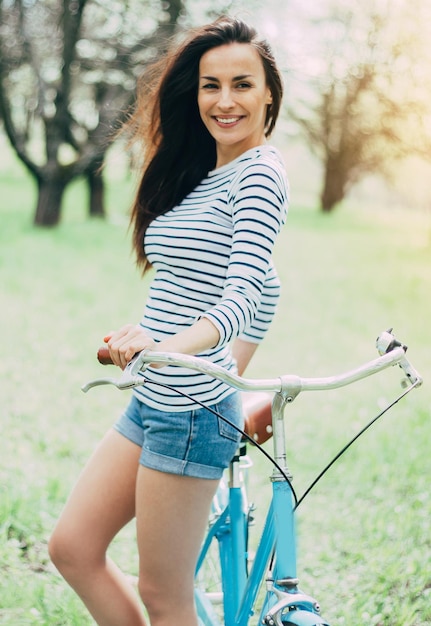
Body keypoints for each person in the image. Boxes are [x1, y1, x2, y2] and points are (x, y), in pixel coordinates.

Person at [48, 15, 289, 626]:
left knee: (165, 596)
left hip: (189, 414)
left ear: (268, 93)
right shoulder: (206, 175)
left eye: (242, 84)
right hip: (156, 399)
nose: (225, 100)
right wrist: (156, 348)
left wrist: (163, 347)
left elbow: (239, 299)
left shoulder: (260, 174)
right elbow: (256, 290)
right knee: (72, 549)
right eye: (211, 85)